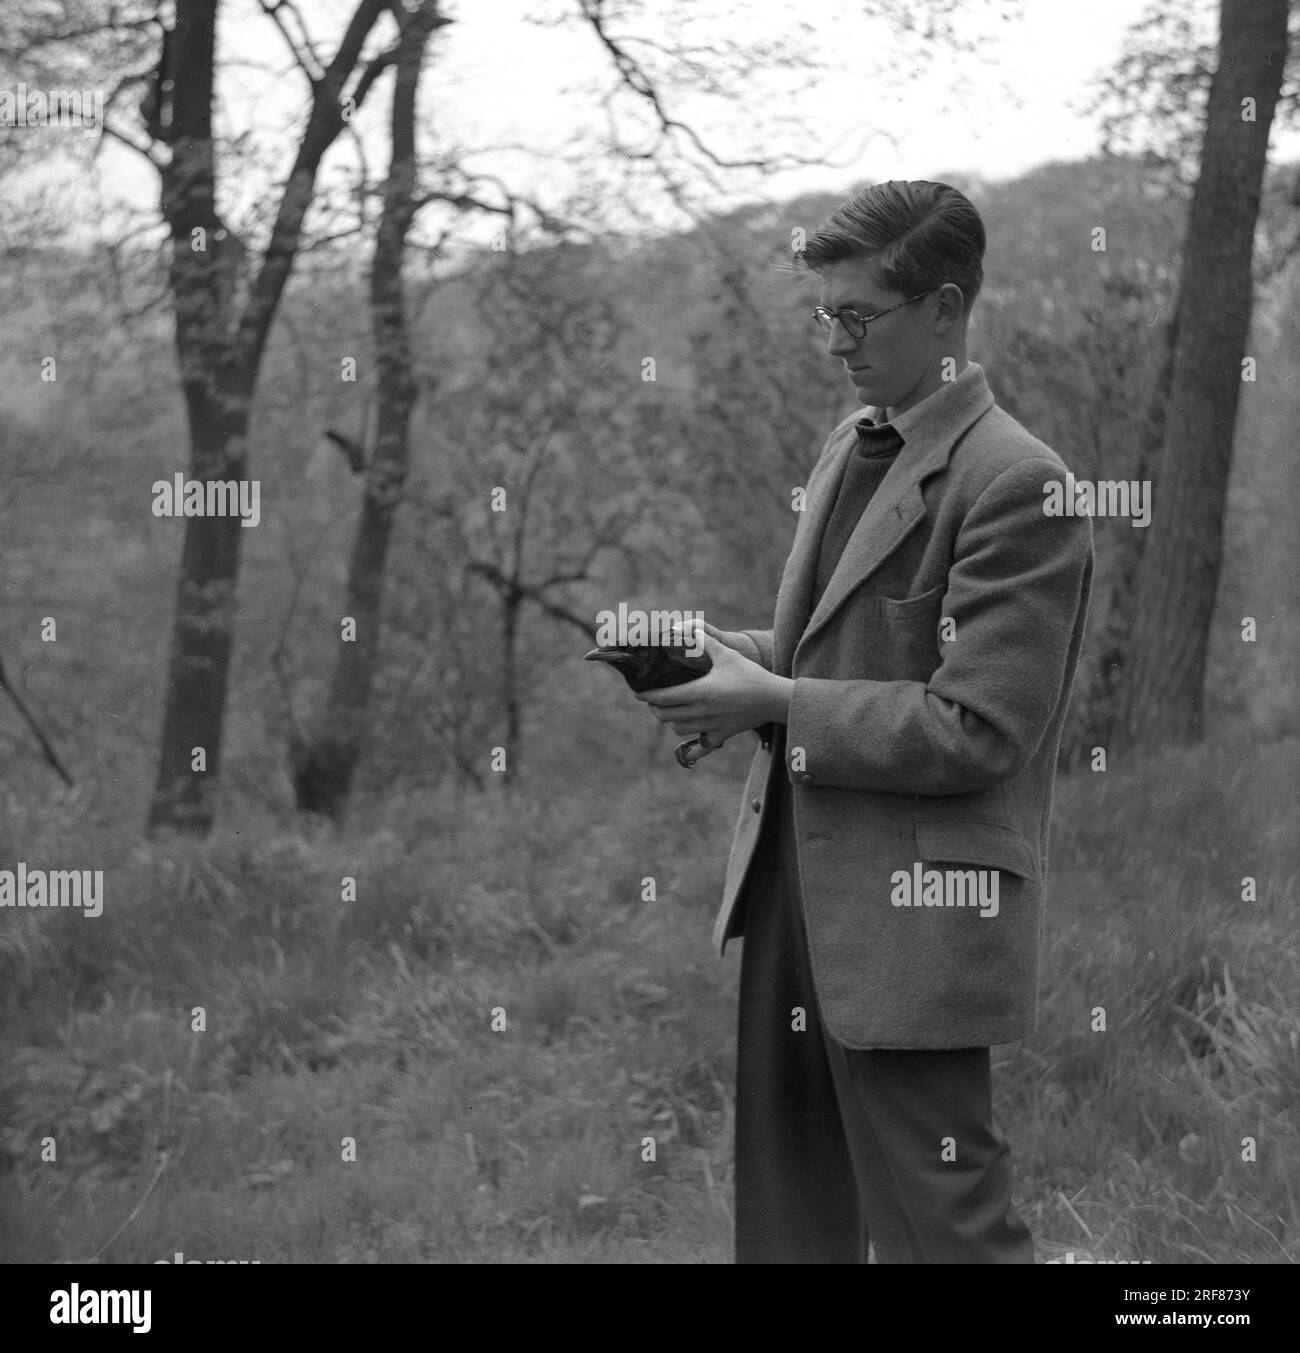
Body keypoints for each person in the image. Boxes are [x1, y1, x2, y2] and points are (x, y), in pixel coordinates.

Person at [635, 180, 1094, 1263]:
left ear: (942, 310)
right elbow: (822, 656)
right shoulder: (853, 439)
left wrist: (779, 704)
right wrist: (717, 660)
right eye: (823, 315)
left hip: (914, 916)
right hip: (793, 885)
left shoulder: (1021, 485)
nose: (833, 342)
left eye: (857, 317)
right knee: (792, 1218)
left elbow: (976, 730)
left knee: (946, 1228)